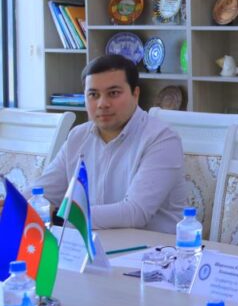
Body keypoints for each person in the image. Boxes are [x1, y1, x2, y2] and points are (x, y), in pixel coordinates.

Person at [36, 54, 186, 234]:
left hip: (154, 248)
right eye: (93, 95)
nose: (102, 104)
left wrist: (59, 217)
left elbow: (135, 213)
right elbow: (41, 193)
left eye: (113, 93)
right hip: (93, 243)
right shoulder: (78, 136)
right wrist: (18, 206)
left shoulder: (162, 139)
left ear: (135, 94)